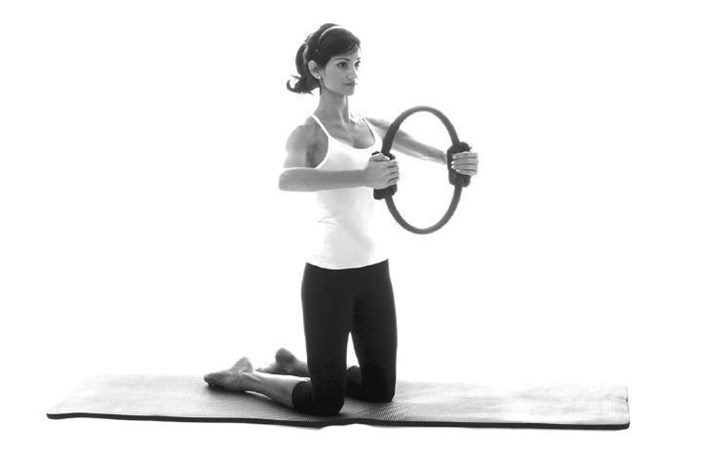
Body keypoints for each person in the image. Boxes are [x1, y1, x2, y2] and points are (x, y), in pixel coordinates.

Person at [204, 23, 479, 416]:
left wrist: (453, 160)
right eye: (342, 64)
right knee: (326, 402)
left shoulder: (371, 125)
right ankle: (248, 376)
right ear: (316, 70)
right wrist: (362, 177)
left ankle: (295, 366)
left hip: (374, 271)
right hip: (329, 277)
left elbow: (423, 149)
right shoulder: (308, 133)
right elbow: (287, 179)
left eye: (356, 64)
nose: (353, 74)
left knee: (380, 390)